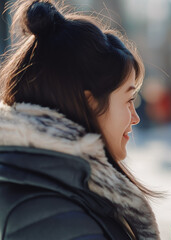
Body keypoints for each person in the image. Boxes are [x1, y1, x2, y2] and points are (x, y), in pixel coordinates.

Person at [0, 0, 159, 239]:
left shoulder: (58, 189)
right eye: (129, 100)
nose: (135, 118)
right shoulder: (60, 216)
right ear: (90, 102)